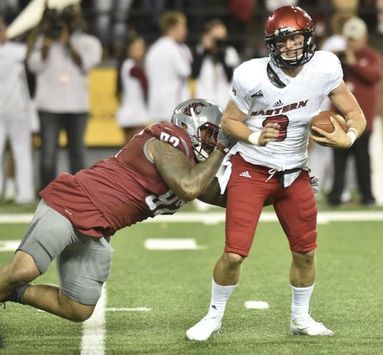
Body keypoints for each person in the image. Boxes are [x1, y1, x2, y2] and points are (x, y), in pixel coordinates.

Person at [186, 5, 366, 341]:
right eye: (283, 41)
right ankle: (213, 316)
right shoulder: (251, 75)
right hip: (251, 169)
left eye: (296, 37)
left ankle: (300, 317)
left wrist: (349, 137)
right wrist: (254, 136)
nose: (291, 46)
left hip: (294, 172)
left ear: (308, 37)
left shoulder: (325, 67)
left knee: (305, 252)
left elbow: (355, 112)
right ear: (271, 44)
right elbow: (229, 120)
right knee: (235, 254)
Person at [0, 99, 236, 322]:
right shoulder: (167, 141)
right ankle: (8, 284)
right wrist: (222, 149)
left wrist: (270, 185)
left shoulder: (190, 168)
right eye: (210, 134)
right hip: (72, 203)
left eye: (216, 137)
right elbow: (188, 187)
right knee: (22, 270)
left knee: (77, 307)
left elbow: (225, 194)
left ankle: (10, 292)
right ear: (190, 125)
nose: (213, 141)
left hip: (98, 229)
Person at [27, 4, 102, 191]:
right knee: (48, 153)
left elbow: (85, 63)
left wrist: (68, 44)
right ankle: (45, 192)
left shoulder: (89, 42)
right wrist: (46, 41)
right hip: (48, 106)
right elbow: (33, 65)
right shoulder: (44, 41)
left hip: (77, 107)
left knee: (77, 153)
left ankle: (79, 192)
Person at [327, 17, 383, 207]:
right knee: (338, 161)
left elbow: (375, 75)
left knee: (362, 160)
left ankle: (367, 196)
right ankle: (335, 195)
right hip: (339, 118)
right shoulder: (337, 58)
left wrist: (355, 64)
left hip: (362, 120)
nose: (352, 43)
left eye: (355, 39)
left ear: (364, 38)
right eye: (349, 39)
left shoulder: (371, 56)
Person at [0, 17, 37, 205]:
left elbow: (29, 50)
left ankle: (25, 194)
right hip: (9, 108)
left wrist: (36, 28)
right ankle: (15, 193)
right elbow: (28, 49)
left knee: (21, 151)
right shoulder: (14, 51)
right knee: (19, 151)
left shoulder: (15, 50)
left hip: (16, 108)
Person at [145, 11, 192, 123]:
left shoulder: (153, 49)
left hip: (155, 105)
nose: (186, 31)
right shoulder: (175, 48)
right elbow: (186, 71)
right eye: (183, 27)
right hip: (173, 106)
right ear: (172, 28)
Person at [191, 19, 240, 109]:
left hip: (223, 101)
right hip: (203, 102)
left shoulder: (229, 52)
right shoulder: (200, 51)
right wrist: (205, 50)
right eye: (215, 38)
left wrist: (220, 54)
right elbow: (194, 74)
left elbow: (230, 78)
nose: (218, 42)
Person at [116, 33, 150, 144]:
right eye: (136, 48)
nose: (140, 51)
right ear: (128, 49)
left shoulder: (127, 65)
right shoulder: (132, 66)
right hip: (134, 114)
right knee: (135, 150)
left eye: (141, 48)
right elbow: (146, 84)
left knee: (130, 150)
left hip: (133, 112)